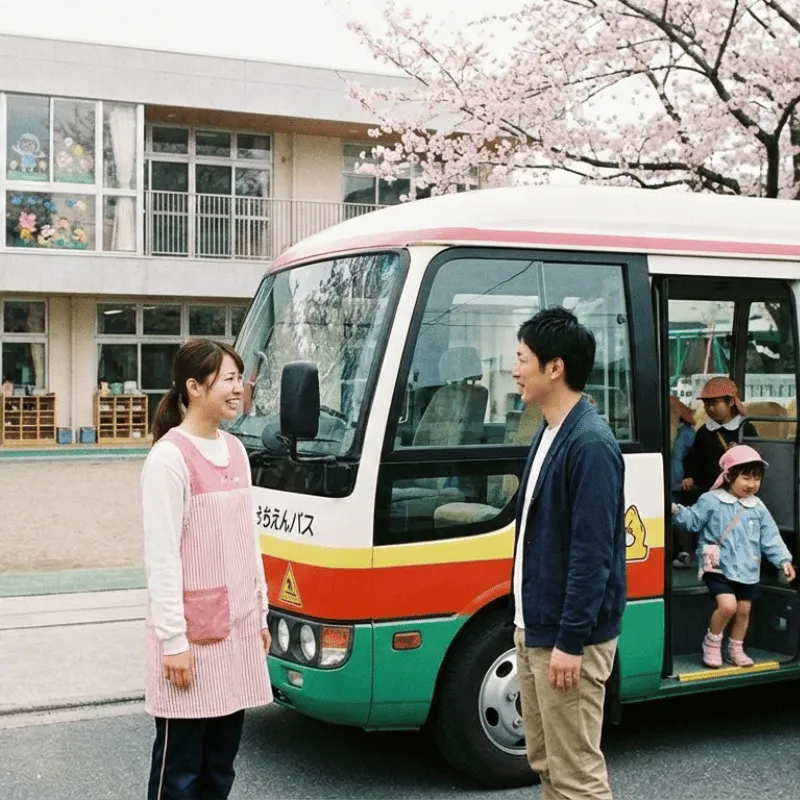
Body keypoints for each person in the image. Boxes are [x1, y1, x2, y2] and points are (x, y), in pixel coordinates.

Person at [141, 339, 272, 800]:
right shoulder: (169, 458)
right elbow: (161, 558)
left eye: (240, 378)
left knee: (220, 766)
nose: (240, 389)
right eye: (229, 379)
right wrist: (173, 642)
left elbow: (247, 538)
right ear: (194, 387)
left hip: (235, 634)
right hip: (191, 642)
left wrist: (261, 614)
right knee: (179, 772)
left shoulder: (236, 450)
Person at [509, 306, 626, 800]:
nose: (514, 369)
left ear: (554, 368)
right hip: (536, 628)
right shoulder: (548, 430)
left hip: (566, 637)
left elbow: (592, 555)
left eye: (521, 359)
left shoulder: (591, 444)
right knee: (549, 767)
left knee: (577, 775)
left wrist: (571, 642)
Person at [672, 444, 795, 668]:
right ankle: (711, 644)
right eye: (746, 477)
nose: (752, 484)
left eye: (756, 478)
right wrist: (675, 510)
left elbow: (770, 536)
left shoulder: (757, 507)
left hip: (747, 569)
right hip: (718, 567)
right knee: (727, 606)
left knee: (744, 611)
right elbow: (692, 520)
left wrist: (783, 560)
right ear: (728, 475)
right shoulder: (711, 500)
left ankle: (735, 649)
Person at [682, 376, 757, 501]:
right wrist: (691, 477)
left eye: (714, 403)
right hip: (708, 492)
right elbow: (694, 458)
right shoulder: (704, 431)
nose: (709, 408)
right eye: (706, 404)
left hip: (738, 494)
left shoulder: (746, 429)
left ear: (731, 402)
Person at [669, 395, 697, 569]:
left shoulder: (686, 432)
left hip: (680, 482)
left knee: (679, 516)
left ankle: (684, 551)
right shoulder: (661, 430)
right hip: (664, 481)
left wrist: (691, 477)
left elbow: (694, 458)